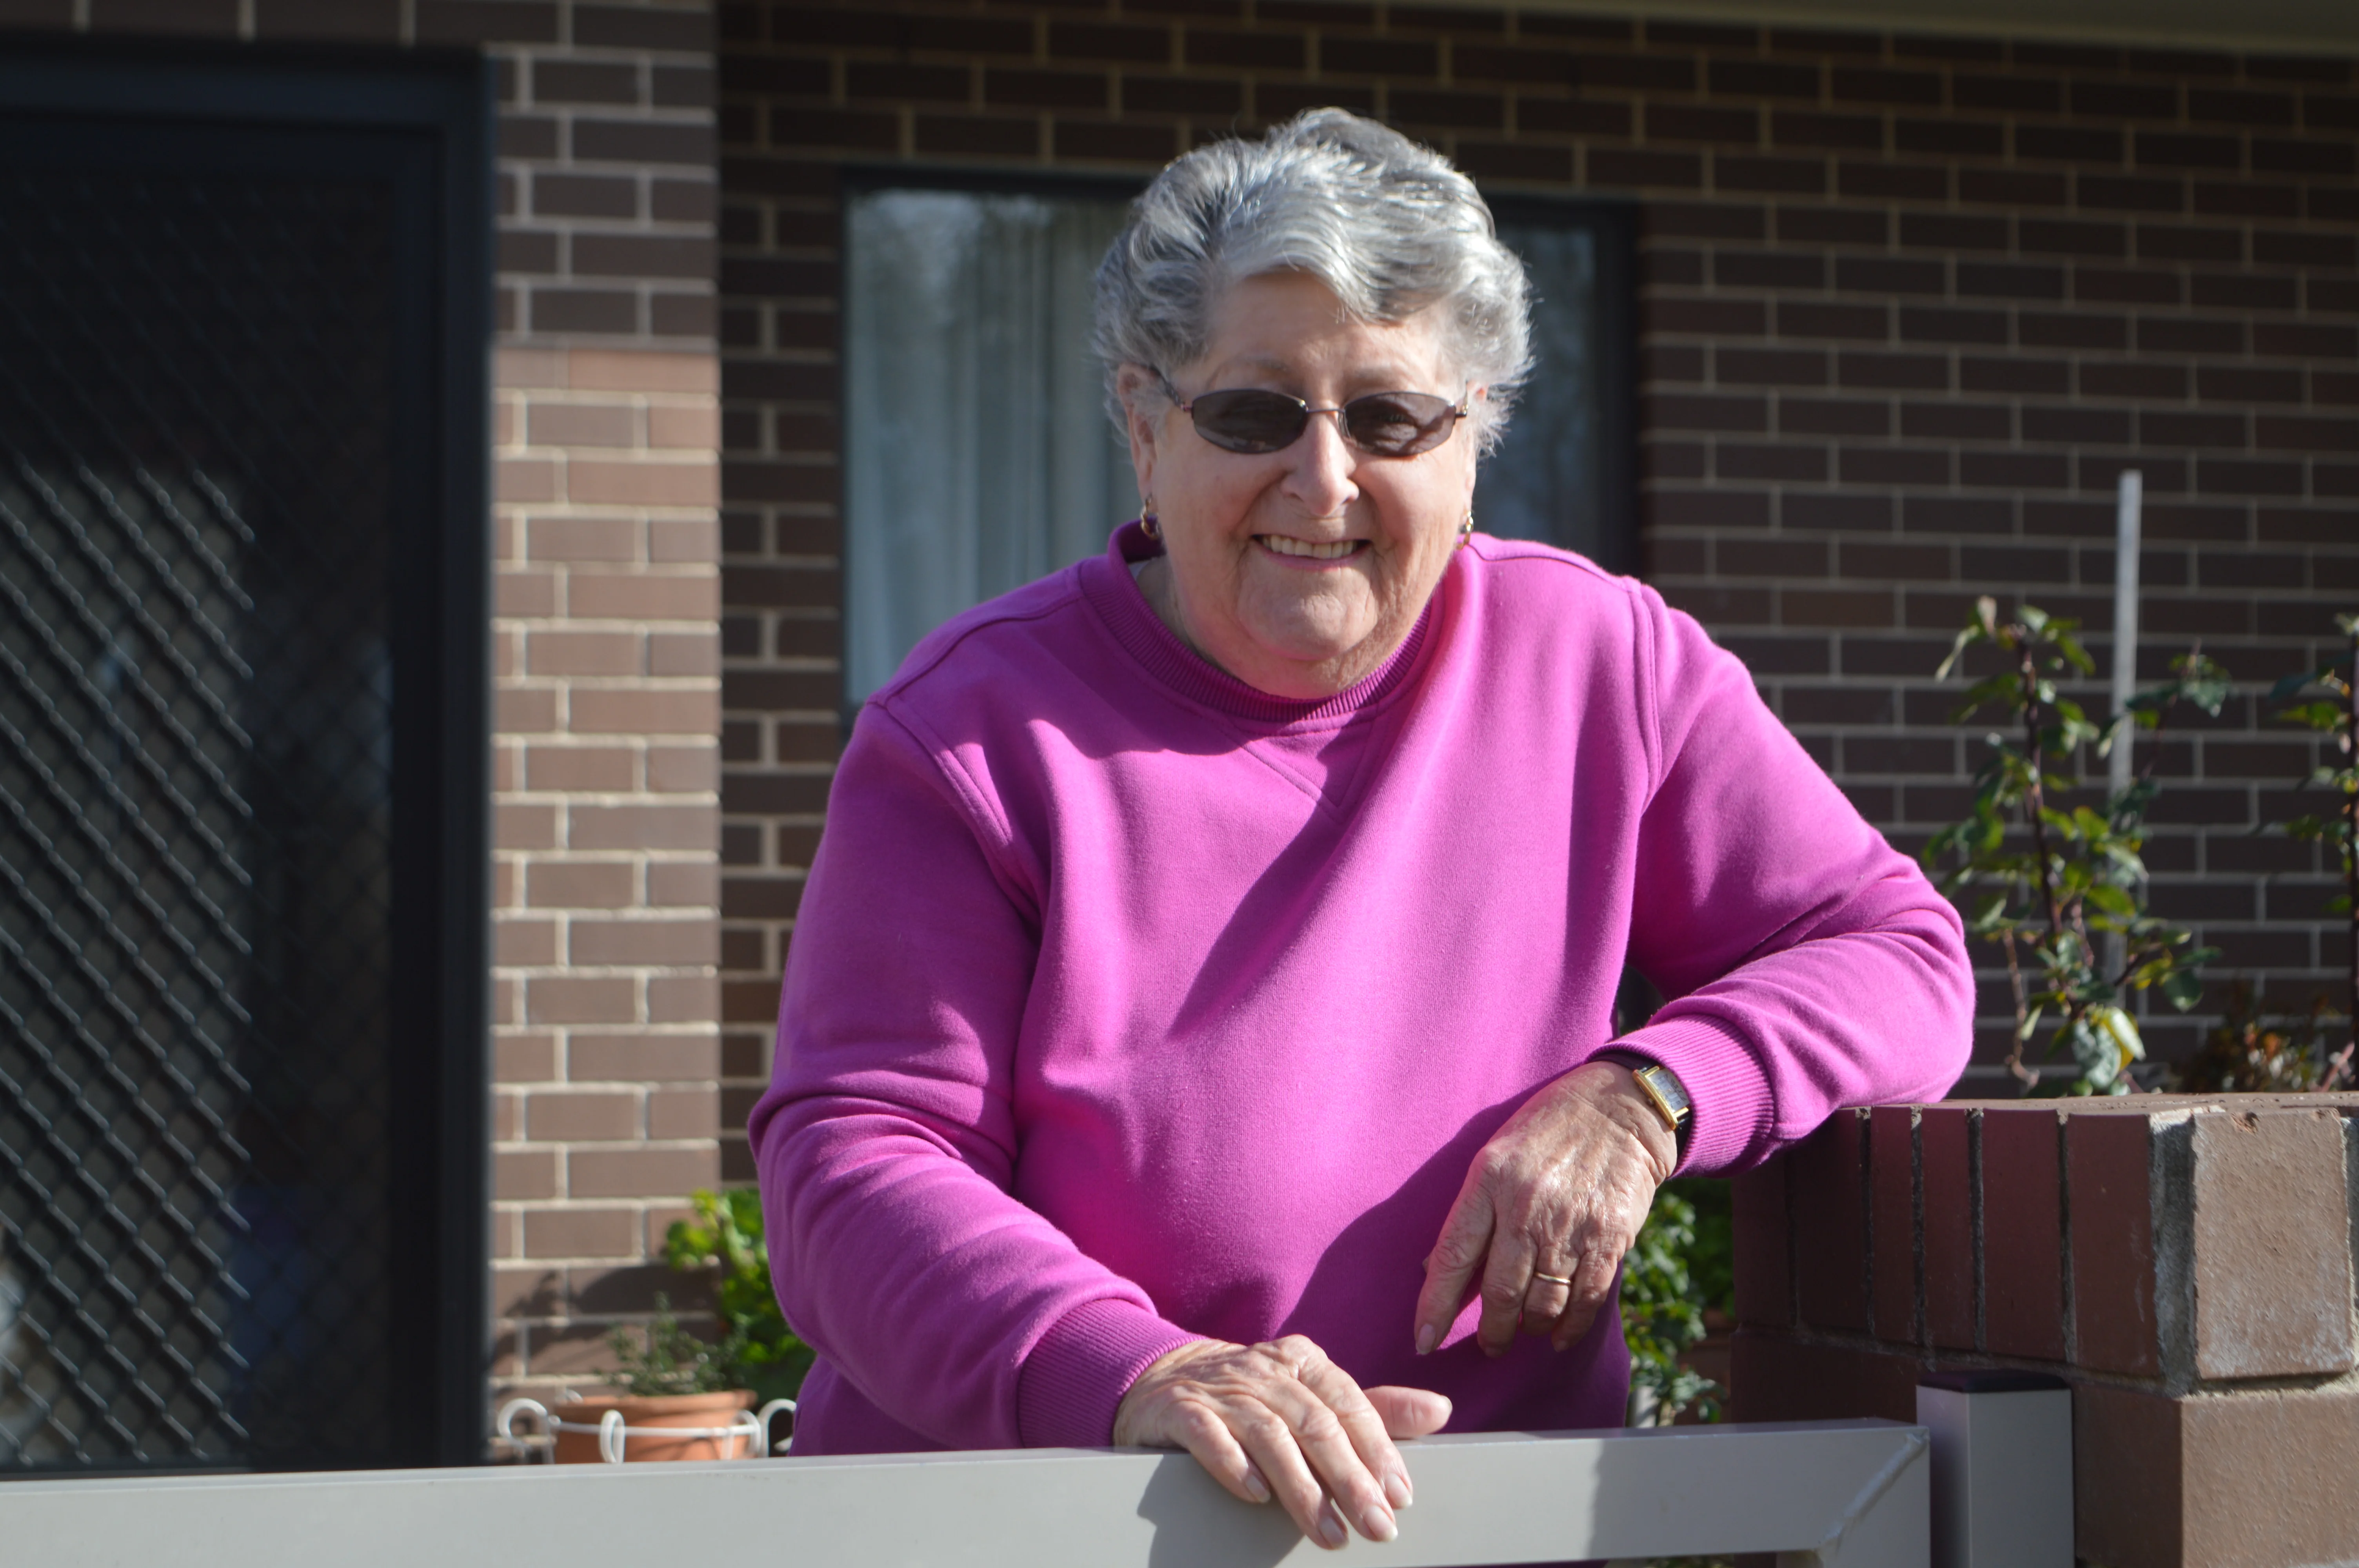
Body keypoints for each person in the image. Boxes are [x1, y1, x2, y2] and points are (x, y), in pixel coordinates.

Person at [749, 108, 1972, 1550]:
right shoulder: (970, 733)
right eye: (1254, 415)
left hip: (1472, 1529)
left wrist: (1649, 1098)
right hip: (1058, 1527)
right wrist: (1137, 1371)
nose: (1322, 481)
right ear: (1146, 429)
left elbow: (1898, 953)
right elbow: (853, 1163)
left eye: (1390, 420)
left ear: (1474, 451)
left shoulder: (1603, 663)